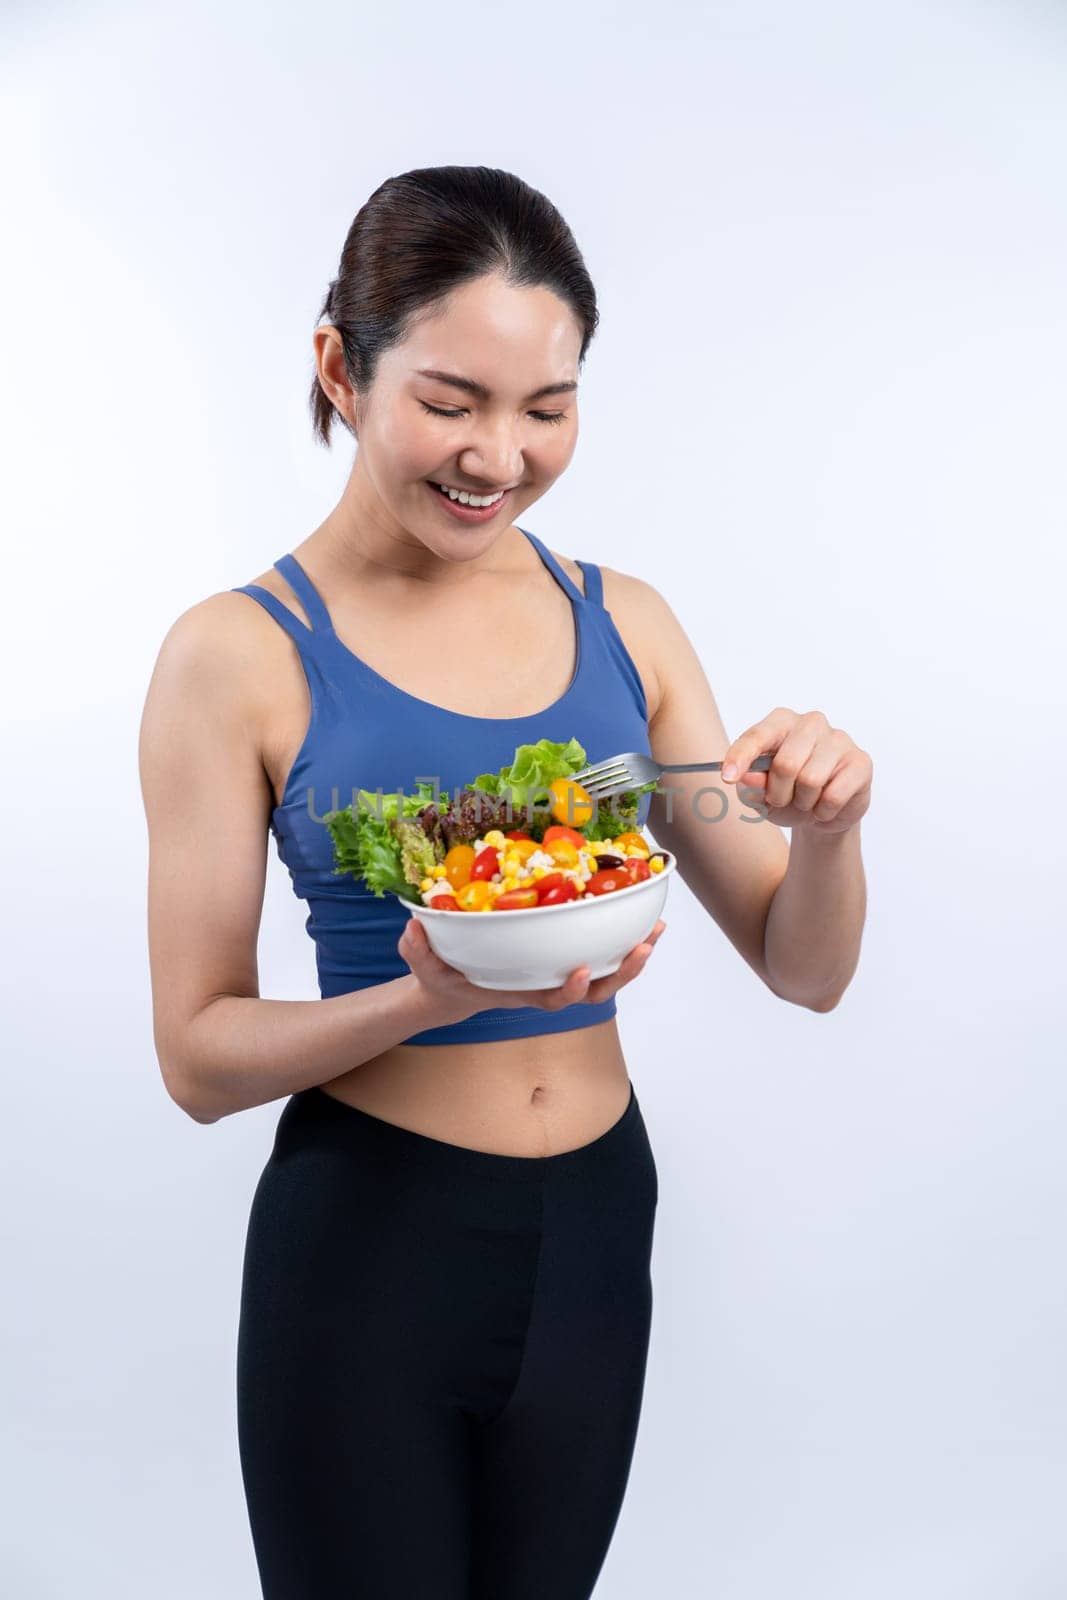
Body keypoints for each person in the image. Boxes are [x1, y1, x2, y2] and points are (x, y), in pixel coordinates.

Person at [139, 164, 871, 1599]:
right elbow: (199, 1057)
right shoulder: (236, 656)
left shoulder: (628, 628)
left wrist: (831, 827)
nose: (500, 456)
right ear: (341, 371)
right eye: (452, 401)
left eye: (548, 407)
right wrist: (421, 999)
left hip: (599, 1226)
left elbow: (803, 963)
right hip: (370, 1243)